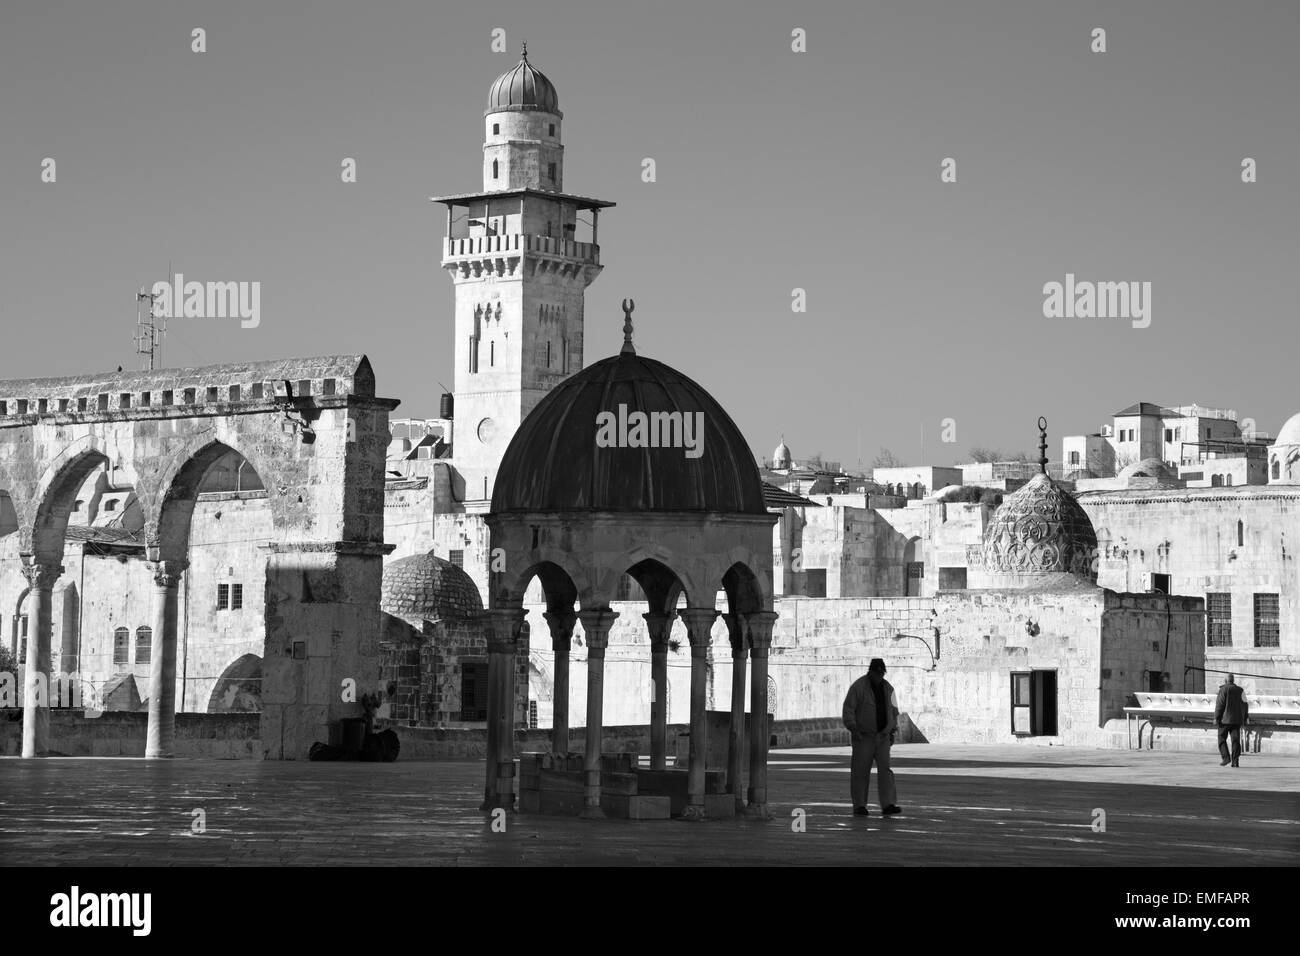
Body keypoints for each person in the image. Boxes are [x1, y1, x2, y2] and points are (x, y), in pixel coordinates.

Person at [842, 658, 901, 816]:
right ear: (871, 672)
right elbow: (848, 708)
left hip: (882, 737)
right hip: (864, 737)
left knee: (885, 771)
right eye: (878, 673)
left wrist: (892, 730)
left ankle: (888, 804)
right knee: (860, 771)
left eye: (882, 673)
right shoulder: (858, 687)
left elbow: (894, 711)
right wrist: (853, 728)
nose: (880, 676)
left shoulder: (889, 689)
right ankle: (860, 805)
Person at [1214, 674, 1249, 768]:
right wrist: (1245, 718)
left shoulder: (1223, 690)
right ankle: (1235, 761)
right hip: (1237, 720)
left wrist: (1216, 718)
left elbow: (1219, 705)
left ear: (1225, 681)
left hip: (1224, 721)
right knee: (1235, 740)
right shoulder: (1241, 690)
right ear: (1233, 681)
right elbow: (1245, 705)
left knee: (1221, 738)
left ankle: (1226, 758)